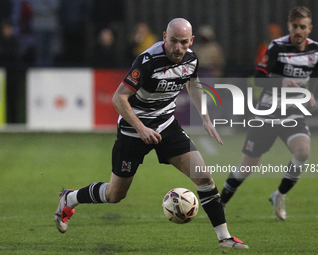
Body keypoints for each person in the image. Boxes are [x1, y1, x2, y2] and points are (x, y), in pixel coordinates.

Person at [54, 18, 249, 249]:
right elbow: (119, 98)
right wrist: (140, 128)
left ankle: (224, 237)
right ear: (165, 36)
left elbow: (193, 84)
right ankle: (70, 198)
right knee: (115, 194)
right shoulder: (147, 61)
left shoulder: (191, 58)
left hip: (166, 125)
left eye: (183, 42)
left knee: (204, 178)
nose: (178, 48)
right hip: (132, 130)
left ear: (191, 41)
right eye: (173, 41)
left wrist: (205, 118)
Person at [221, 6, 318, 220]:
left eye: (302, 27)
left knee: (303, 152)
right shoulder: (277, 47)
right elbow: (258, 77)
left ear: (309, 29)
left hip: (293, 112)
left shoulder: (317, 51)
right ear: (289, 26)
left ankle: (279, 195)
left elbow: (313, 76)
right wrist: (281, 80)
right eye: (294, 26)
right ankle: (220, 203)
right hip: (267, 112)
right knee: (246, 168)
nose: (298, 31)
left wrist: (310, 94)